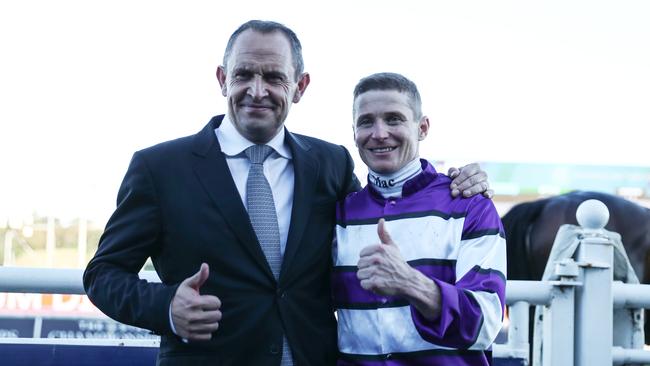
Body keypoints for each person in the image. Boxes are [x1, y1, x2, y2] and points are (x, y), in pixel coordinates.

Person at [83, 20, 491, 366]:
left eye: (275, 77)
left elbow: (385, 207)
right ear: (223, 79)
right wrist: (165, 307)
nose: (257, 90)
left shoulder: (330, 164)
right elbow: (102, 274)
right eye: (244, 74)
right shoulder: (160, 168)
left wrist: (459, 180)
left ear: (300, 86)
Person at [332, 73, 506, 365]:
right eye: (366, 122)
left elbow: (486, 325)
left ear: (422, 128)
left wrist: (411, 283)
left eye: (394, 119)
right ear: (353, 132)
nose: (379, 133)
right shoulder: (340, 214)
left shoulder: (469, 204)